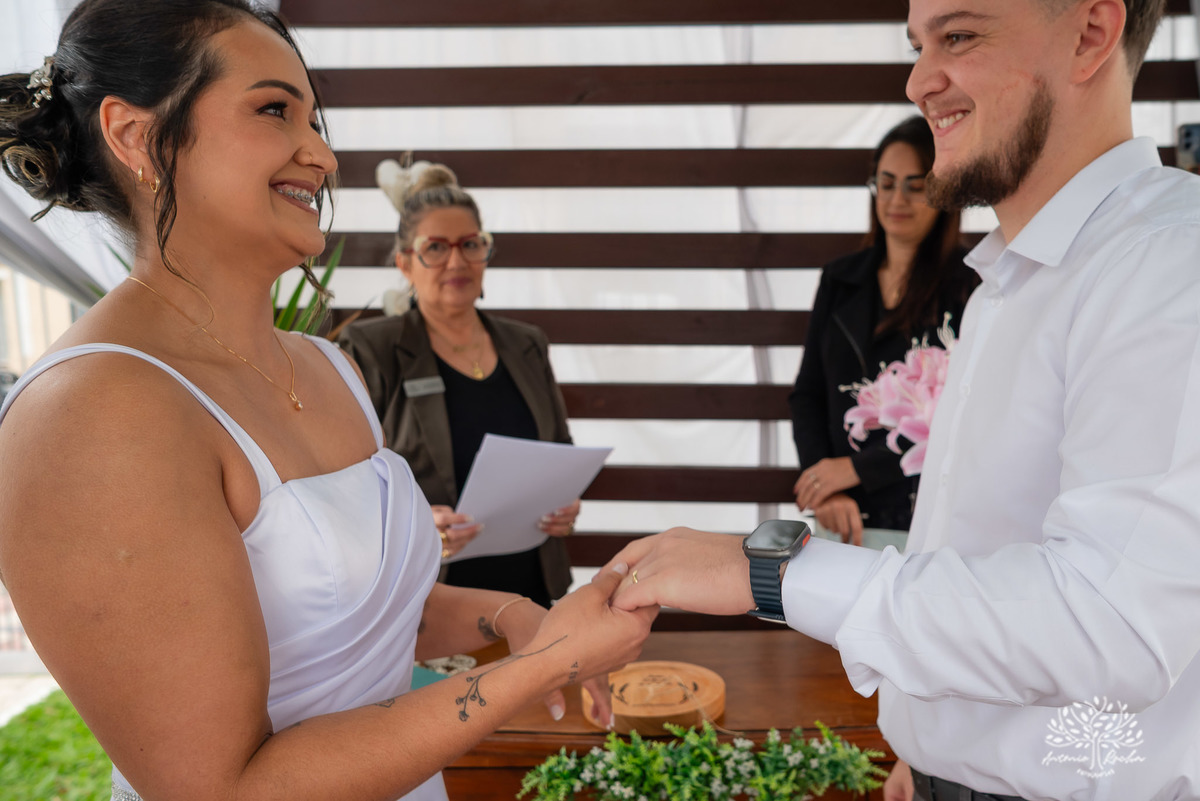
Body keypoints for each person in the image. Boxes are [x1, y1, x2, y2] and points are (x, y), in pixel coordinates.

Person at [0, 3, 654, 801]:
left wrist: (510, 616)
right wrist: (543, 667)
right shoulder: (90, 412)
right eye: (275, 110)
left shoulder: (327, 366)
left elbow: (361, 617)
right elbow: (220, 787)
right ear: (137, 137)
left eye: (315, 118)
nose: (323, 155)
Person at [609, 1, 1200, 799]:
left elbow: (1109, 620)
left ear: (1091, 33)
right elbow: (976, 549)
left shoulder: (1168, 263)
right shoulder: (1012, 274)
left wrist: (773, 573)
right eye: (918, 44)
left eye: (959, 36)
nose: (920, 80)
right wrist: (928, 742)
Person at [338, 160, 577, 608]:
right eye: (435, 248)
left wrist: (565, 506)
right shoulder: (372, 348)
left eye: (470, 245)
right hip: (431, 595)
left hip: (533, 586)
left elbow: (559, 448)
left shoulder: (526, 344)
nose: (456, 261)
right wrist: (416, 521)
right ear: (405, 263)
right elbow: (344, 480)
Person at [789, 115, 977, 546]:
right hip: (843, 516)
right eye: (887, 183)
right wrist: (826, 487)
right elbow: (808, 395)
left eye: (916, 185)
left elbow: (960, 415)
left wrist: (858, 470)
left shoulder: (970, 286)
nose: (898, 199)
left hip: (924, 514)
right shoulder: (839, 279)